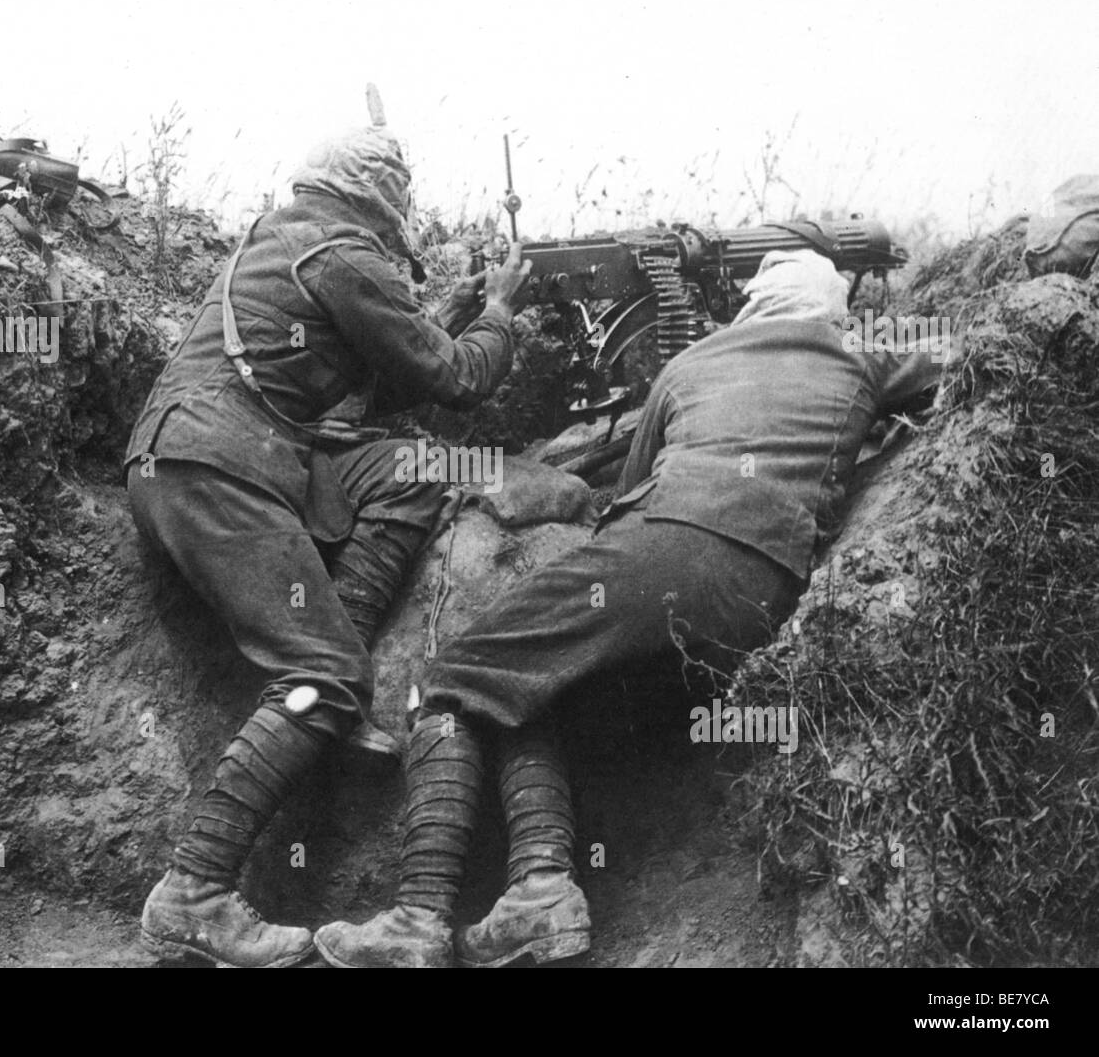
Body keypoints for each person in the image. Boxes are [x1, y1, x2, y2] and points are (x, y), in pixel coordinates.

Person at [313, 248, 946, 968]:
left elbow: (629, 492)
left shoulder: (695, 361)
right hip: (765, 595)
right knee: (534, 690)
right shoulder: (855, 352)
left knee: (451, 680)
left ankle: (417, 920)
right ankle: (538, 899)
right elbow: (954, 355)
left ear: (753, 304)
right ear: (831, 309)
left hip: (662, 552)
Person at [124, 126, 531, 968]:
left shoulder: (288, 238)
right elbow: (455, 380)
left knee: (414, 467)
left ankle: (332, 673)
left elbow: (382, 361)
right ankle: (192, 892)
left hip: (231, 447)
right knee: (325, 675)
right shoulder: (347, 252)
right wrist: (499, 313)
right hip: (216, 462)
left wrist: (443, 313)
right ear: (379, 198)